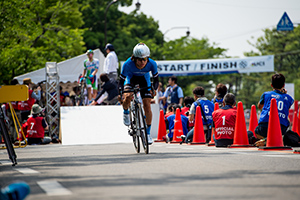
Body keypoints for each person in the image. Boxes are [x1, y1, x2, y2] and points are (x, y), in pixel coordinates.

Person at [118, 43, 159, 144]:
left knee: (147, 106)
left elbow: (156, 79)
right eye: (140, 60)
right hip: (131, 78)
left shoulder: (152, 63)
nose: (142, 62)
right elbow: (121, 81)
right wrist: (120, 92)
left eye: (145, 59)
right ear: (134, 58)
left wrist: (154, 89)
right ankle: (126, 111)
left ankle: (148, 134)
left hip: (144, 80)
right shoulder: (127, 64)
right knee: (128, 96)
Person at [254, 73, 294, 146]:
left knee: (256, 131)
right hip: (280, 129)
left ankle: (266, 139)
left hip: (264, 128)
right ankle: (274, 139)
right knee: (286, 118)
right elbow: (285, 110)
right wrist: (283, 94)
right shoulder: (289, 98)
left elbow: (259, 106)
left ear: (271, 85)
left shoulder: (266, 94)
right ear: (283, 85)